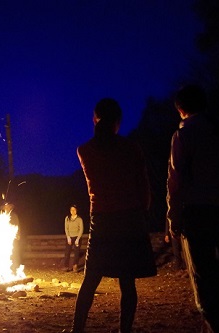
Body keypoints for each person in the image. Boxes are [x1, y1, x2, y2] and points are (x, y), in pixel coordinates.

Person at [67, 98, 156, 333]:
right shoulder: (131, 148)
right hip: (130, 218)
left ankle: (78, 330)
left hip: (103, 220)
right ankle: (124, 330)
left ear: (94, 119)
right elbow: (143, 184)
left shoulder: (84, 150)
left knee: (91, 279)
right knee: (127, 282)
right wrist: (143, 213)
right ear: (118, 121)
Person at [166, 84, 219, 332]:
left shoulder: (184, 134)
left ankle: (214, 324)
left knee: (203, 275)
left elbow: (175, 180)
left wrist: (173, 215)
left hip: (197, 212)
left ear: (180, 109)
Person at [62, 204, 84, 272]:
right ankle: (66, 266)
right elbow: (66, 228)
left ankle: (75, 266)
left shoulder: (79, 219)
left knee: (76, 253)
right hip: (69, 237)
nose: (73, 211)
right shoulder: (67, 218)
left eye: (74, 210)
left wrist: (77, 239)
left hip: (77, 237)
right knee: (67, 252)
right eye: (71, 210)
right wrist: (68, 237)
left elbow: (81, 229)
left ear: (76, 210)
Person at [2, 202, 22, 270]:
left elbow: (17, 225)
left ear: (10, 208)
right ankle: (5, 267)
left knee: (14, 252)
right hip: (4, 237)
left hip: (12, 237)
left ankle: (15, 267)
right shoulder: (1, 216)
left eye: (8, 207)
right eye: (5, 207)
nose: (6, 208)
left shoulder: (13, 216)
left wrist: (18, 234)